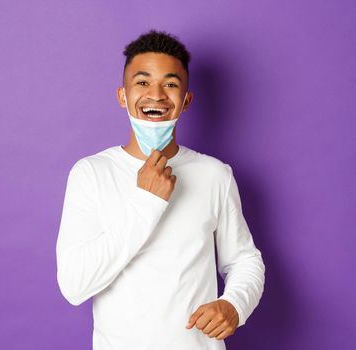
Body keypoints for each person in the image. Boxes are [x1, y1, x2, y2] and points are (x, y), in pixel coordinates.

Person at [55, 29, 265, 350]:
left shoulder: (214, 174)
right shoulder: (91, 174)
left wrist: (234, 304)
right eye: (142, 82)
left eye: (170, 84)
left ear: (186, 100)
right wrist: (147, 201)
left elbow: (244, 260)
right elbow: (74, 285)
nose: (156, 94)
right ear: (123, 96)